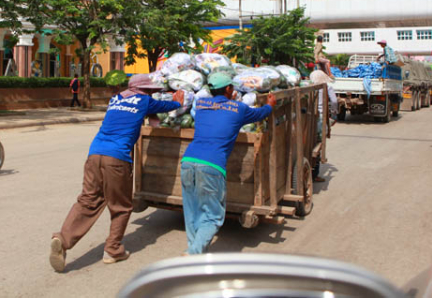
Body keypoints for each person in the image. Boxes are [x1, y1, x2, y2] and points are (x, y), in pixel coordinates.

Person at [50, 74, 185, 272]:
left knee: (88, 200)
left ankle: (62, 239)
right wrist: (177, 101)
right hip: (117, 158)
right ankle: (113, 250)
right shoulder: (144, 101)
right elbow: (166, 107)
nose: (150, 93)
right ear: (144, 90)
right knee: (121, 206)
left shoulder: (115, 99)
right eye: (149, 90)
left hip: (94, 154)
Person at [180, 72, 276, 255]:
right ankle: (193, 254)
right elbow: (260, 113)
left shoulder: (200, 105)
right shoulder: (238, 108)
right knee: (213, 217)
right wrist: (270, 105)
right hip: (211, 166)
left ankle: (194, 251)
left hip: (188, 161)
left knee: (192, 212)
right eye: (232, 87)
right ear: (228, 89)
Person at [309, 70, 337, 182]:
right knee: (318, 144)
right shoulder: (327, 87)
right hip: (320, 119)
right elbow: (334, 101)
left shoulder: (308, 86)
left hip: (307, 118)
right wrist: (334, 112)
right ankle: (314, 175)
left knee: (308, 143)